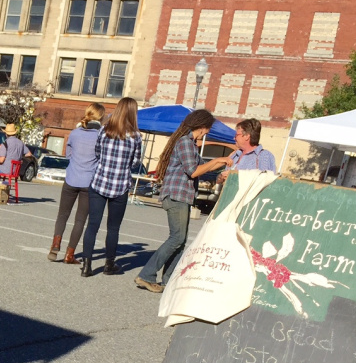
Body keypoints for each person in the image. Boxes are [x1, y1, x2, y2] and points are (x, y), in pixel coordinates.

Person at [135, 109, 234, 293]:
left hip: (182, 196)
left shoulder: (190, 144)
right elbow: (193, 171)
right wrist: (218, 160)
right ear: (202, 126)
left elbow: (202, 169)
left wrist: (219, 168)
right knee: (177, 238)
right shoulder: (185, 143)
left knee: (180, 240)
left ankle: (167, 280)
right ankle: (147, 275)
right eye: (207, 129)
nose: (207, 132)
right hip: (176, 194)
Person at [80, 98, 143, 277]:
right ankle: (109, 265)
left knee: (93, 225)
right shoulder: (136, 136)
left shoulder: (104, 130)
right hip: (120, 184)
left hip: (100, 181)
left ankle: (87, 265)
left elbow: (97, 152)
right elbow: (136, 162)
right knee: (113, 228)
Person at [48, 103, 105, 264]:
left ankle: (55, 245)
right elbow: (101, 158)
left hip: (71, 178)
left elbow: (68, 155)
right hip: (88, 182)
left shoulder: (75, 133)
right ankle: (69, 254)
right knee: (80, 220)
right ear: (100, 117)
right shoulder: (101, 135)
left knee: (62, 215)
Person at [217, 118, 276, 183]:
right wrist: (221, 177)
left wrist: (235, 176)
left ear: (247, 136)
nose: (234, 138)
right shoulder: (235, 155)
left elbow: (264, 180)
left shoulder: (264, 156)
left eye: (236, 135)